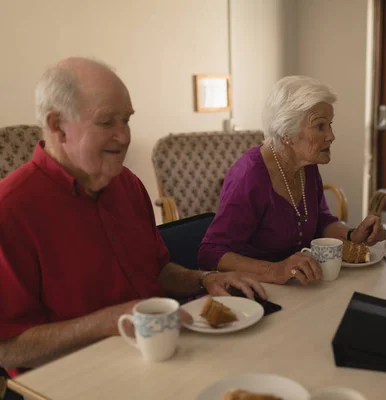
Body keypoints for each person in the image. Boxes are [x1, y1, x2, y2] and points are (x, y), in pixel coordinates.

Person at [0, 58, 265, 377]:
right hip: (75, 380)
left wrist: (204, 278)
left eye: (126, 120)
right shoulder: (11, 210)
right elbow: (8, 347)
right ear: (57, 126)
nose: (124, 136)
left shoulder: (128, 184)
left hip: (161, 358)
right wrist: (111, 322)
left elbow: (157, 270)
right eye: (107, 122)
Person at [198, 76, 386, 284]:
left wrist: (353, 234)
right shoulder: (249, 177)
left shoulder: (305, 164)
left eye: (330, 124)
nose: (331, 135)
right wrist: (275, 270)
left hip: (300, 286)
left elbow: (322, 221)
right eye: (320, 126)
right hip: (255, 291)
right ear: (287, 133)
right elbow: (211, 252)